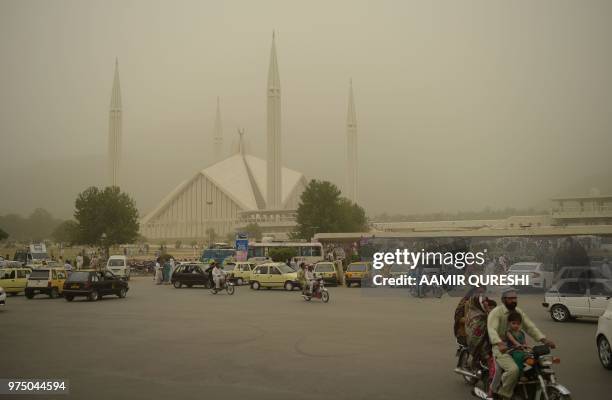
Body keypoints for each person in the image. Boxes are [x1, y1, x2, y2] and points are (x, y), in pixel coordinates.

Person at [487, 288, 556, 400]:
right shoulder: (496, 312)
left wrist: (544, 340)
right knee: (513, 370)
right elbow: (492, 329)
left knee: (535, 364)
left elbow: (529, 327)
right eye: (510, 298)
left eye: (515, 298)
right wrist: (499, 343)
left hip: (517, 346)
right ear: (503, 299)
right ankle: (504, 394)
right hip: (501, 348)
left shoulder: (518, 312)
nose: (514, 300)